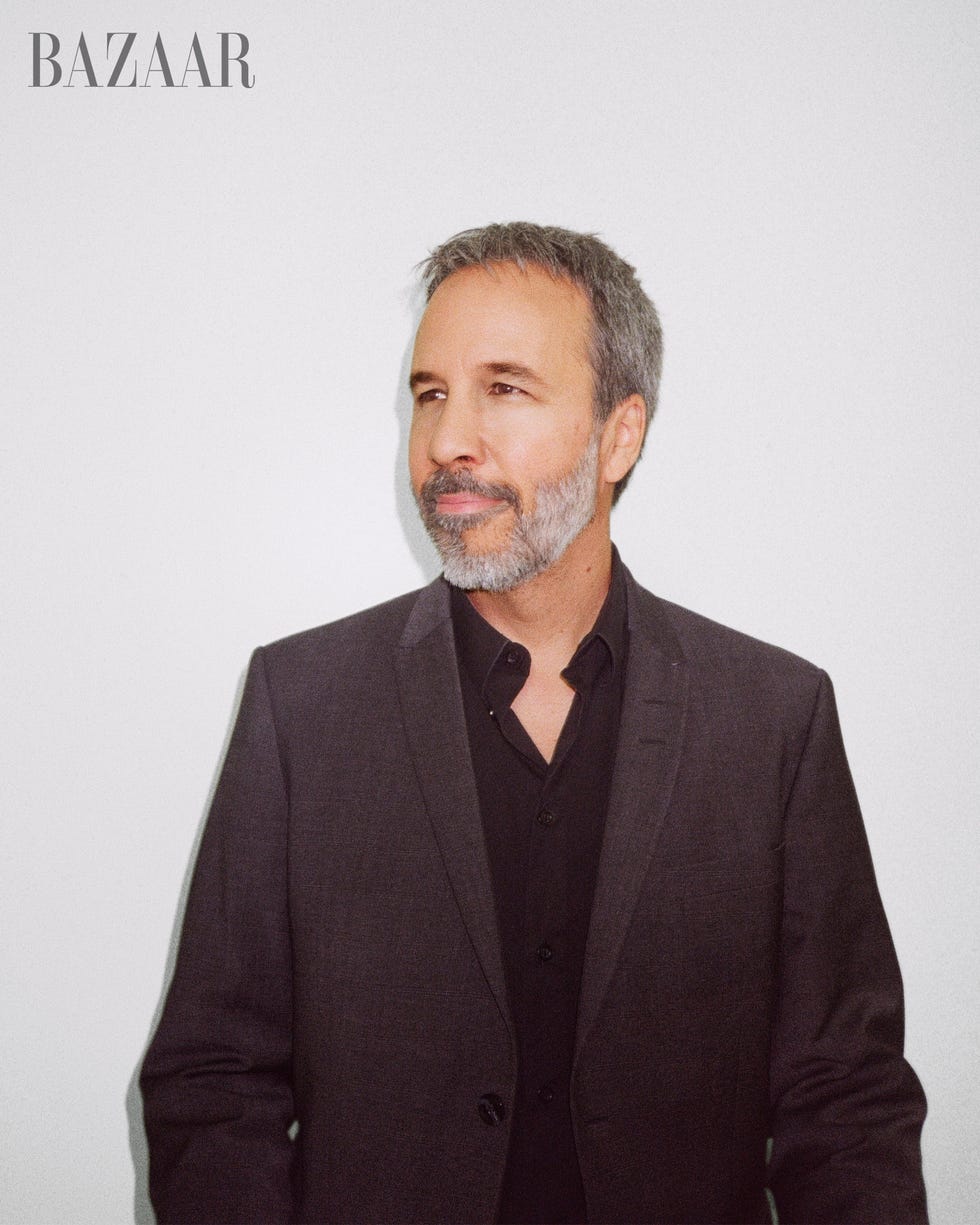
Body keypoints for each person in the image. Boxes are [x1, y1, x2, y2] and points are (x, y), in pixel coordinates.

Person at [140, 222, 927, 1224]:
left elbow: (843, 1101)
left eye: (502, 388)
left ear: (619, 434)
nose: (445, 440)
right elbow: (213, 1082)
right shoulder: (301, 705)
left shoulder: (771, 719)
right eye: (430, 394)